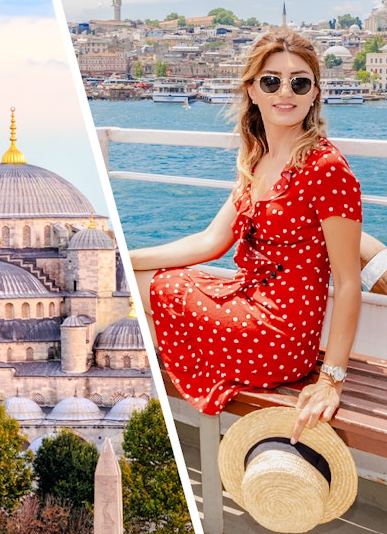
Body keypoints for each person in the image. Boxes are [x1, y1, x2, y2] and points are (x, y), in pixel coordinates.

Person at [130, 28, 362, 443]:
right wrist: (124, 259)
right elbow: (211, 242)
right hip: (251, 301)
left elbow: (347, 282)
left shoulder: (326, 168)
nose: (285, 92)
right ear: (253, 90)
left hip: (281, 335)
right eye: (272, 81)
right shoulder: (260, 160)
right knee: (142, 280)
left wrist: (331, 380)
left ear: (314, 94)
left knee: (154, 290)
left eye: (300, 82)